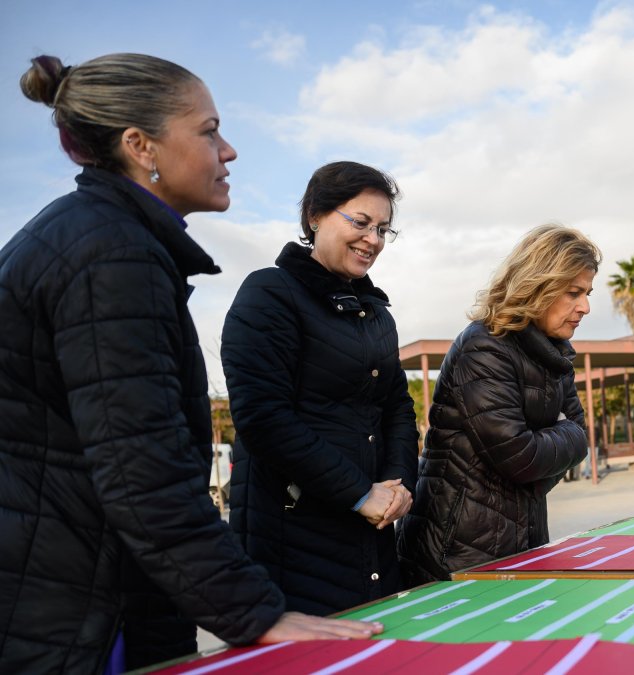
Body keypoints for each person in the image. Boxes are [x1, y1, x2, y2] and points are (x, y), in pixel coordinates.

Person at [0, 54, 381, 673]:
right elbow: (140, 470)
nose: (228, 151)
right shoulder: (112, 253)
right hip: (70, 602)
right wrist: (253, 611)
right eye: (208, 131)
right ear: (140, 145)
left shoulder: (98, 235)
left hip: (81, 582)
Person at [221, 161, 419, 616]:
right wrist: (358, 493)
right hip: (293, 541)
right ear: (315, 216)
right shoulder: (269, 294)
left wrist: (397, 487)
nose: (373, 239)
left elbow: (397, 410)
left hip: (373, 534)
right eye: (360, 222)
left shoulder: (376, 314)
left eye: (384, 229)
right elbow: (263, 418)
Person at [397, 224, 597, 585]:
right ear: (538, 285)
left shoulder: (555, 353)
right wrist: (558, 439)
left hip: (522, 539)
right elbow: (521, 457)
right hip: (456, 549)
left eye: (587, 293)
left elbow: (579, 438)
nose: (585, 306)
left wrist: (551, 447)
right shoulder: (484, 346)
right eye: (573, 292)